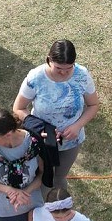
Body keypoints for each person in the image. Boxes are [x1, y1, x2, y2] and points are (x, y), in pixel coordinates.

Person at [14, 40, 98, 200]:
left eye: (69, 68)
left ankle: (58, 207)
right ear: (48, 60)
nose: (63, 73)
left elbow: (93, 105)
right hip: (42, 141)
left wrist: (77, 126)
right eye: (58, 68)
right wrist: (40, 128)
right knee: (43, 176)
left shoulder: (82, 75)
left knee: (59, 177)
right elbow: (18, 108)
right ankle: (42, 206)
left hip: (71, 141)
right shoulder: (36, 77)